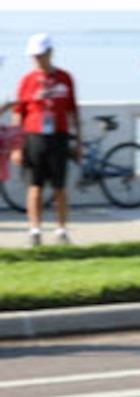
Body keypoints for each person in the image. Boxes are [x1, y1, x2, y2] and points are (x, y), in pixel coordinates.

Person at [10, 33, 81, 248]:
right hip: (34, 137)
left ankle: (61, 230)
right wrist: (15, 146)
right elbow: (18, 114)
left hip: (58, 136)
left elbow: (73, 111)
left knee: (59, 187)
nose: (37, 60)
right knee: (35, 186)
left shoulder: (65, 78)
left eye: (40, 55)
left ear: (50, 53)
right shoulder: (27, 81)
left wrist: (78, 141)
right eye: (34, 56)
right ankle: (35, 230)